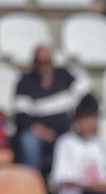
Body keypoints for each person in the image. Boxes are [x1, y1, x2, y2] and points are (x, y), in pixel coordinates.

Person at [13, 46, 89, 177]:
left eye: (46, 61)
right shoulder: (25, 83)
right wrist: (42, 131)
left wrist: (79, 122)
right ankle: (33, 183)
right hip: (38, 132)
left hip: (65, 131)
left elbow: (87, 97)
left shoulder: (64, 76)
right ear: (34, 63)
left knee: (81, 139)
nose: (43, 66)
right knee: (28, 141)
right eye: (39, 62)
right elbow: (21, 117)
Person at [49, 94, 106, 194]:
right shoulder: (65, 142)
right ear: (76, 120)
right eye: (87, 119)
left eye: (94, 119)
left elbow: (105, 180)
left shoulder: (98, 144)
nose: (91, 123)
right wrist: (90, 187)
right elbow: (62, 180)